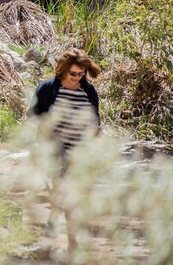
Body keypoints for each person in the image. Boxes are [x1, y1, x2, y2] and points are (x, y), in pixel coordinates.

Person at [30, 47, 102, 251]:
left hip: (80, 149)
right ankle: (72, 242)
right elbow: (34, 115)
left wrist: (95, 131)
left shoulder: (88, 90)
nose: (76, 78)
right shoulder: (47, 88)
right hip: (55, 148)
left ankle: (54, 213)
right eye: (73, 74)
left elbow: (95, 119)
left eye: (80, 74)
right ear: (62, 70)